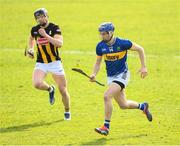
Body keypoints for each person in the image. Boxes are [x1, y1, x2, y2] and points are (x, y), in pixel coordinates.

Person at [90, 22, 152, 136]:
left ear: (111, 33)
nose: (102, 36)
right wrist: (94, 74)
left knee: (106, 96)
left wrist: (144, 67)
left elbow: (140, 49)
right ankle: (143, 106)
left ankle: (106, 127)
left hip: (123, 75)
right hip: (111, 77)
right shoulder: (100, 46)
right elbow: (98, 63)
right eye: (101, 34)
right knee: (123, 105)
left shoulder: (123, 43)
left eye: (104, 34)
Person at [27, 8, 71, 120]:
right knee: (37, 83)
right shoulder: (35, 29)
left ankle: (67, 111)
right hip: (41, 62)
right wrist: (31, 49)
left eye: (42, 16)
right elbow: (31, 38)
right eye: (38, 18)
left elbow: (60, 44)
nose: (41, 19)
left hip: (55, 63)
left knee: (63, 90)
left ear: (47, 16)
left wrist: (45, 35)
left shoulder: (54, 28)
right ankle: (50, 89)